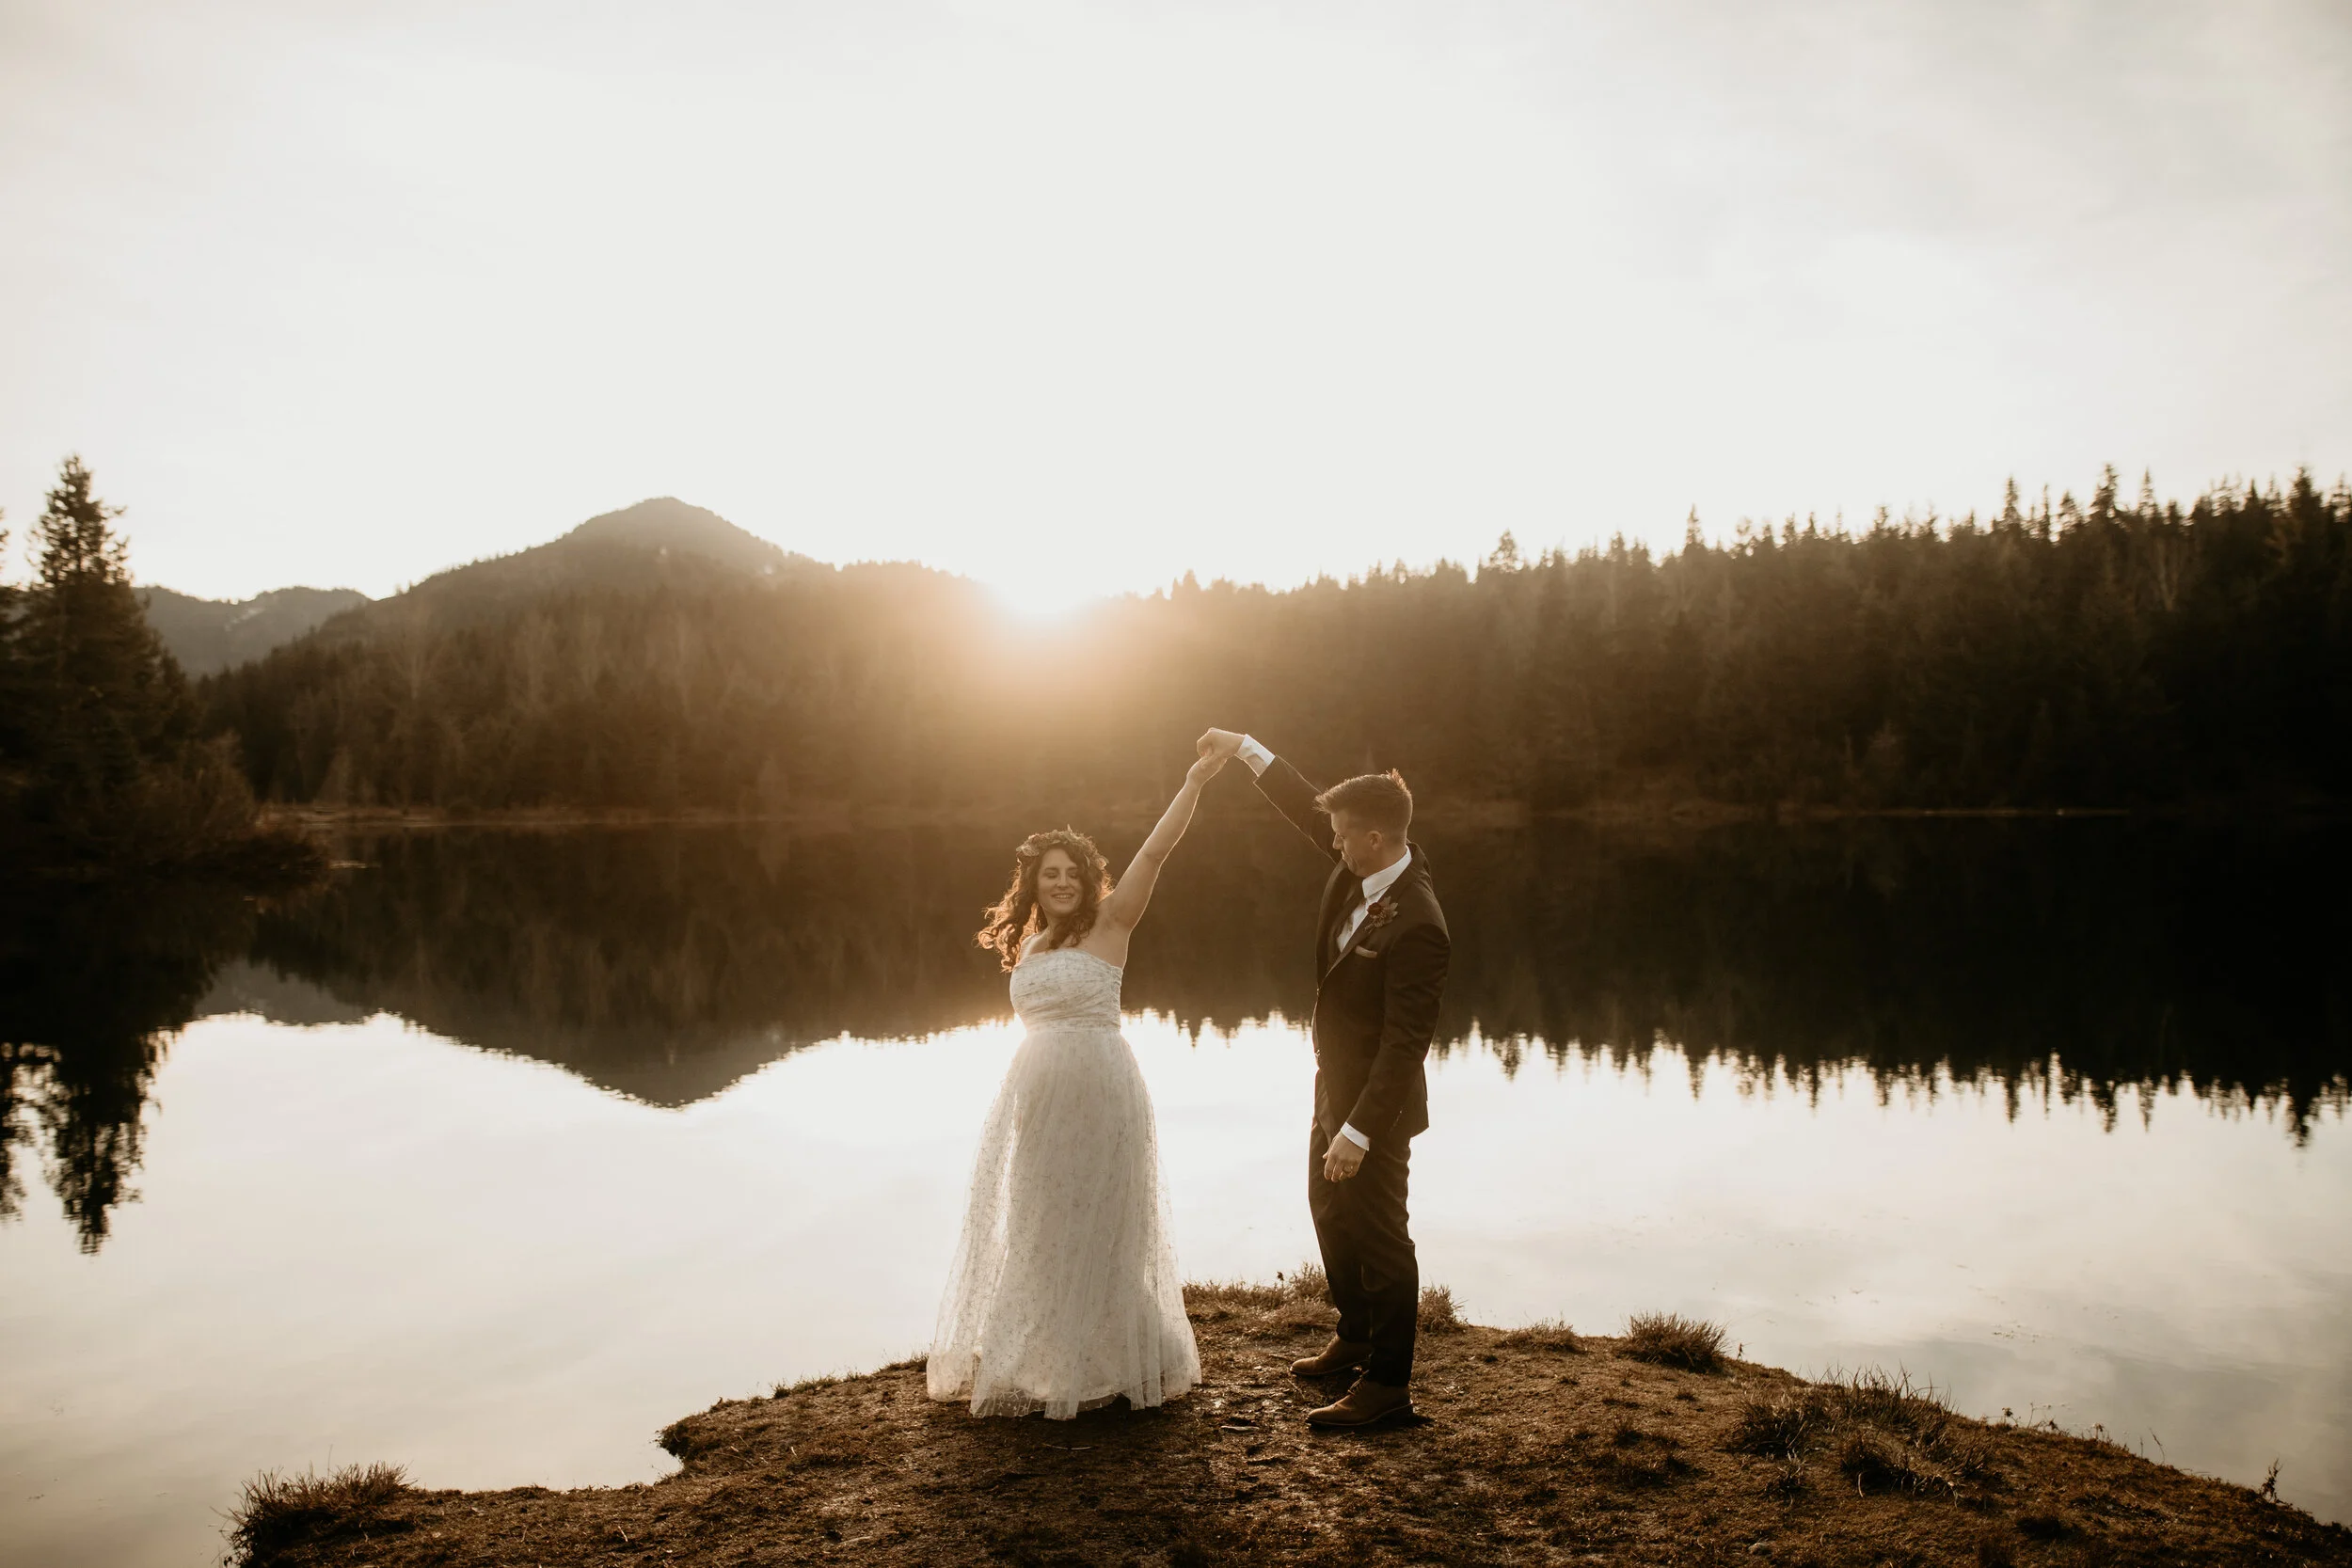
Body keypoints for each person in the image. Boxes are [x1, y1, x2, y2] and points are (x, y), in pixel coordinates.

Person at [925, 748, 1231, 1418]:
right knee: (1042, 1220)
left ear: (1090, 879)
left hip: (1100, 1090)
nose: (1061, 883)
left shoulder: (1111, 924)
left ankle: (1117, 1360)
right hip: (1036, 1098)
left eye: (1071, 873)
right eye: (1048, 874)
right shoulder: (1030, 946)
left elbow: (1153, 855)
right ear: (1032, 883)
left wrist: (1191, 781)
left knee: (1105, 1222)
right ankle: (1049, 1358)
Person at [1197, 728, 1450, 1430]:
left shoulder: (1420, 924)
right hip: (1330, 1084)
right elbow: (1305, 805)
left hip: (1378, 1106)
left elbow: (1406, 1044)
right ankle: (1358, 1329)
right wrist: (1244, 745)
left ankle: (1388, 1385)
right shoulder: (1363, 865)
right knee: (1327, 1208)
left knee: (1381, 1234)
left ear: (1373, 836)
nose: (1330, 842)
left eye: (1342, 835)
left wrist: (1359, 1131)